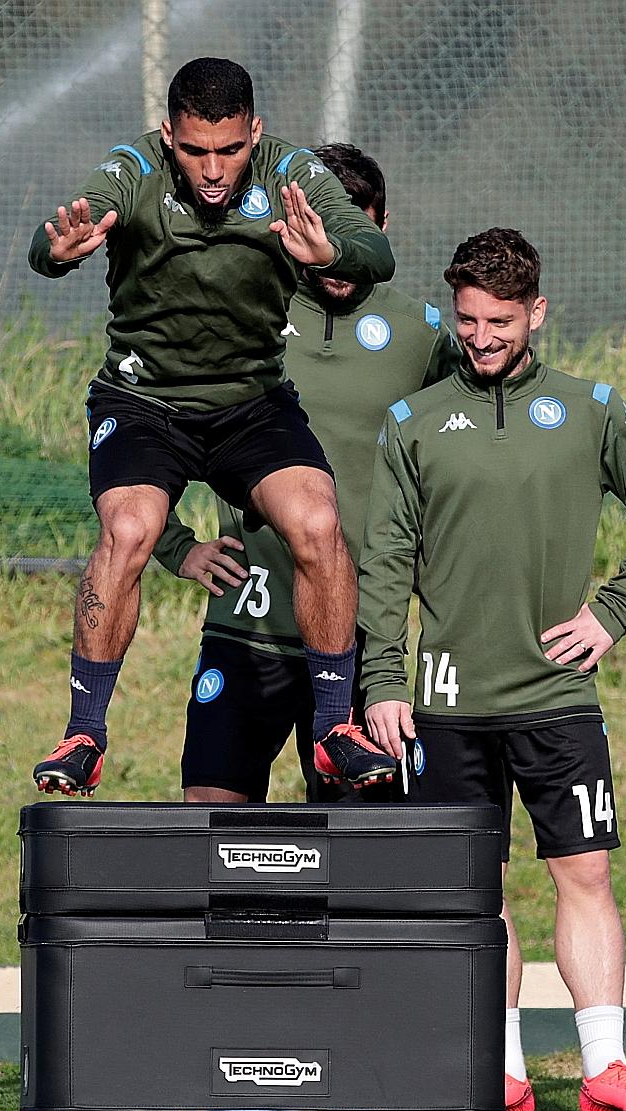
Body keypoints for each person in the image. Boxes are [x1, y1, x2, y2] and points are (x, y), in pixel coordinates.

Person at [360, 228, 626, 1111]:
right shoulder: (412, 422)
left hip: (558, 697)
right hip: (447, 702)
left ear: (537, 312)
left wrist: (613, 613)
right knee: (477, 888)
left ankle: (603, 1070)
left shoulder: (590, 409)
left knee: (584, 874)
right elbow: (386, 561)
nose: (481, 337)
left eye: (500, 321)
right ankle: (499, 1072)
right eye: (467, 320)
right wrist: (384, 681)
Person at [25, 58, 399, 796]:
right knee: (130, 530)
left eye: (229, 149)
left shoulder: (289, 171)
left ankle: (333, 728)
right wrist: (56, 253)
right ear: (170, 137)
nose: (213, 169)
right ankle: (83, 734)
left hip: (251, 404)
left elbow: (376, 252)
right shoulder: (133, 169)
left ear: (252, 133)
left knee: (319, 523)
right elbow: (54, 238)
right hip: (145, 403)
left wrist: (334, 250)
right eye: (196, 151)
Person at [153, 142, 457, 804]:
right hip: (248, 625)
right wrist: (175, 545)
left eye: (358, 229)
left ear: (382, 226)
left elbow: (478, 446)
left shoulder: (425, 334)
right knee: (211, 823)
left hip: (361, 635)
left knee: (362, 857)